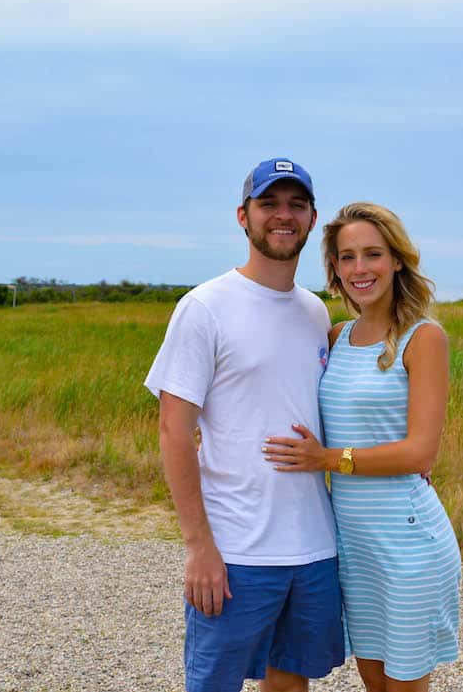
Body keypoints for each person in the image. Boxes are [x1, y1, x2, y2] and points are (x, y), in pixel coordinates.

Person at [145, 159, 343, 692]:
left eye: (295, 205)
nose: (283, 215)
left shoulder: (315, 313)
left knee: (291, 680)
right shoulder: (205, 307)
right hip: (236, 552)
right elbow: (172, 430)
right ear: (243, 216)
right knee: (214, 683)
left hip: (313, 545)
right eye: (269, 204)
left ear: (312, 217)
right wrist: (199, 546)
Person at [264, 202, 460, 692]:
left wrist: (327, 460)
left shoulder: (424, 338)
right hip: (352, 542)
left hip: (408, 539)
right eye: (346, 257)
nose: (359, 268)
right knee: (374, 683)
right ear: (334, 268)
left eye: (372, 254)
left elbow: (420, 453)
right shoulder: (337, 335)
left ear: (396, 260)